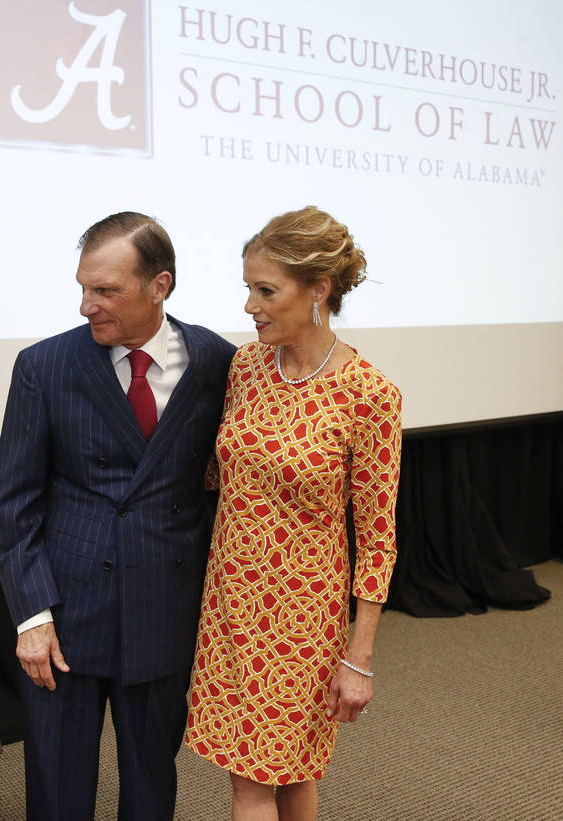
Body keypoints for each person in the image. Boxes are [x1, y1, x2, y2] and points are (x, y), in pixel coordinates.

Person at [0, 212, 236, 820]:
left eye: (106, 291)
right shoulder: (43, 367)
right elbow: (15, 505)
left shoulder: (219, 362)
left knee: (152, 782)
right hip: (65, 613)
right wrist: (31, 616)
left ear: (161, 285)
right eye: (83, 288)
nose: (86, 306)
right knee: (57, 787)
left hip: (165, 604)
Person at [186, 206, 403, 819]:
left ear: (318, 290)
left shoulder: (370, 396)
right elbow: (218, 473)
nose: (250, 306)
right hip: (231, 602)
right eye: (248, 289)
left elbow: (379, 539)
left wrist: (357, 658)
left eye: (266, 290)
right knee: (284, 772)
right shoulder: (246, 367)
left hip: (303, 614)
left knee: (264, 777)